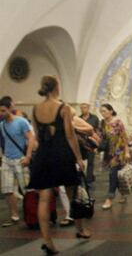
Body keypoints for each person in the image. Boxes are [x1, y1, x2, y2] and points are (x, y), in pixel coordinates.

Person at [28, 76, 90, 254]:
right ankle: (80, 230)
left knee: (44, 199)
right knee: (73, 194)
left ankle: (48, 242)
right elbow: (70, 136)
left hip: (43, 156)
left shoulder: (35, 109)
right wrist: (78, 157)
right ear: (56, 87)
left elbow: (38, 136)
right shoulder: (64, 108)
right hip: (62, 155)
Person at [0, 97, 35, 227]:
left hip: (20, 158)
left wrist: (28, 156)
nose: (1, 113)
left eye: (3, 110)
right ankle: (14, 215)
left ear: (10, 109)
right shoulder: (2, 125)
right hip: (7, 159)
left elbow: (31, 138)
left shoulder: (21, 122)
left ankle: (31, 214)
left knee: (27, 189)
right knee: (7, 189)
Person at [99, 103, 130, 210]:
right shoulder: (102, 123)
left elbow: (124, 137)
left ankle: (109, 199)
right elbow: (101, 136)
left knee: (112, 174)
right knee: (118, 175)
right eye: (101, 111)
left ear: (111, 111)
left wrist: (127, 151)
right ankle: (123, 193)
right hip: (109, 152)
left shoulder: (118, 122)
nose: (102, 113)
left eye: (104, 111)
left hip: (119, 151)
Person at [79, 103, 100, 186]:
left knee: (91, 161)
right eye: (81, 108)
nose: (83, 109)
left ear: (88, 108)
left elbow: (97, 130)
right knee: (81, 161)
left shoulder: (94, 118)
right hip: (81, 142)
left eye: (84, 107)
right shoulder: (78, 118)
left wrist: (97, 143)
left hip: (91, 142)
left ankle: (89, 180)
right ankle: (81, 178)